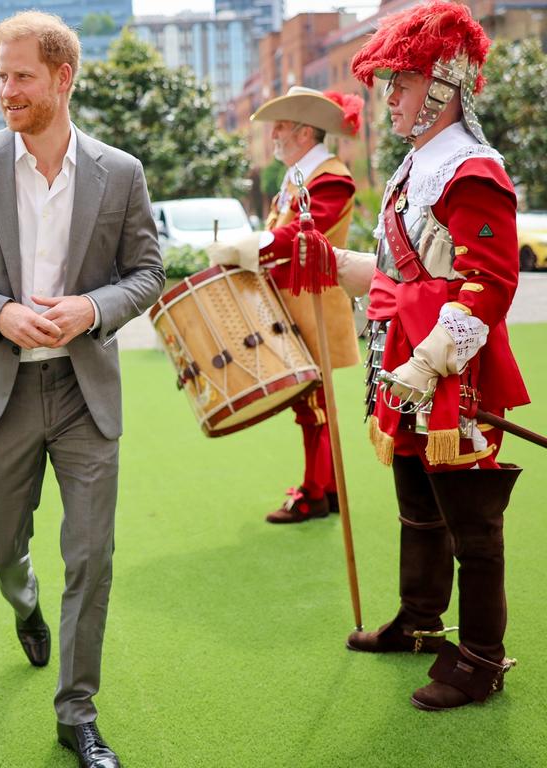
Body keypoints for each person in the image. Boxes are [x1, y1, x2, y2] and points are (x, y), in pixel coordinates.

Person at [0, 11, 164, 767]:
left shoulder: (120, 173)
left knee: (92, 556)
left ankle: (76, 712)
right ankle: (22, 604)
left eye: (21, 76)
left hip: (86, 393)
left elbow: (148, 273)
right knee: (0, 547)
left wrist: (93, 308)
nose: (6, 90)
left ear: (62, 78)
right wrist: (0, 312)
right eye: (0, 77)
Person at [337, 0, 529, 710]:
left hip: (456, 375)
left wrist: (431, 359)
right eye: (388, 82)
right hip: (406, 360)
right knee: (417, 506)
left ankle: (480, 658)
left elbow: (490, 285)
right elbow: (401, 274)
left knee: (472, 526)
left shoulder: (471, 168)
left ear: (444, 88)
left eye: (405, 81)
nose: (390, 95)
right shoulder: (415, 166)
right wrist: (330, 261)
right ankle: (420, 621)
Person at [208, 86, 363, 523]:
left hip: (313, 305)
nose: (273, 133)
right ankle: (325, 489)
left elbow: (300, 237)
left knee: (313, 404)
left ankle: (314, 493)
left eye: (280, 126)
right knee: (309, 403)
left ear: (303, 131)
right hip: (294, 305)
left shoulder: (330, 177)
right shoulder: (300, 178)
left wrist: (247, 245)